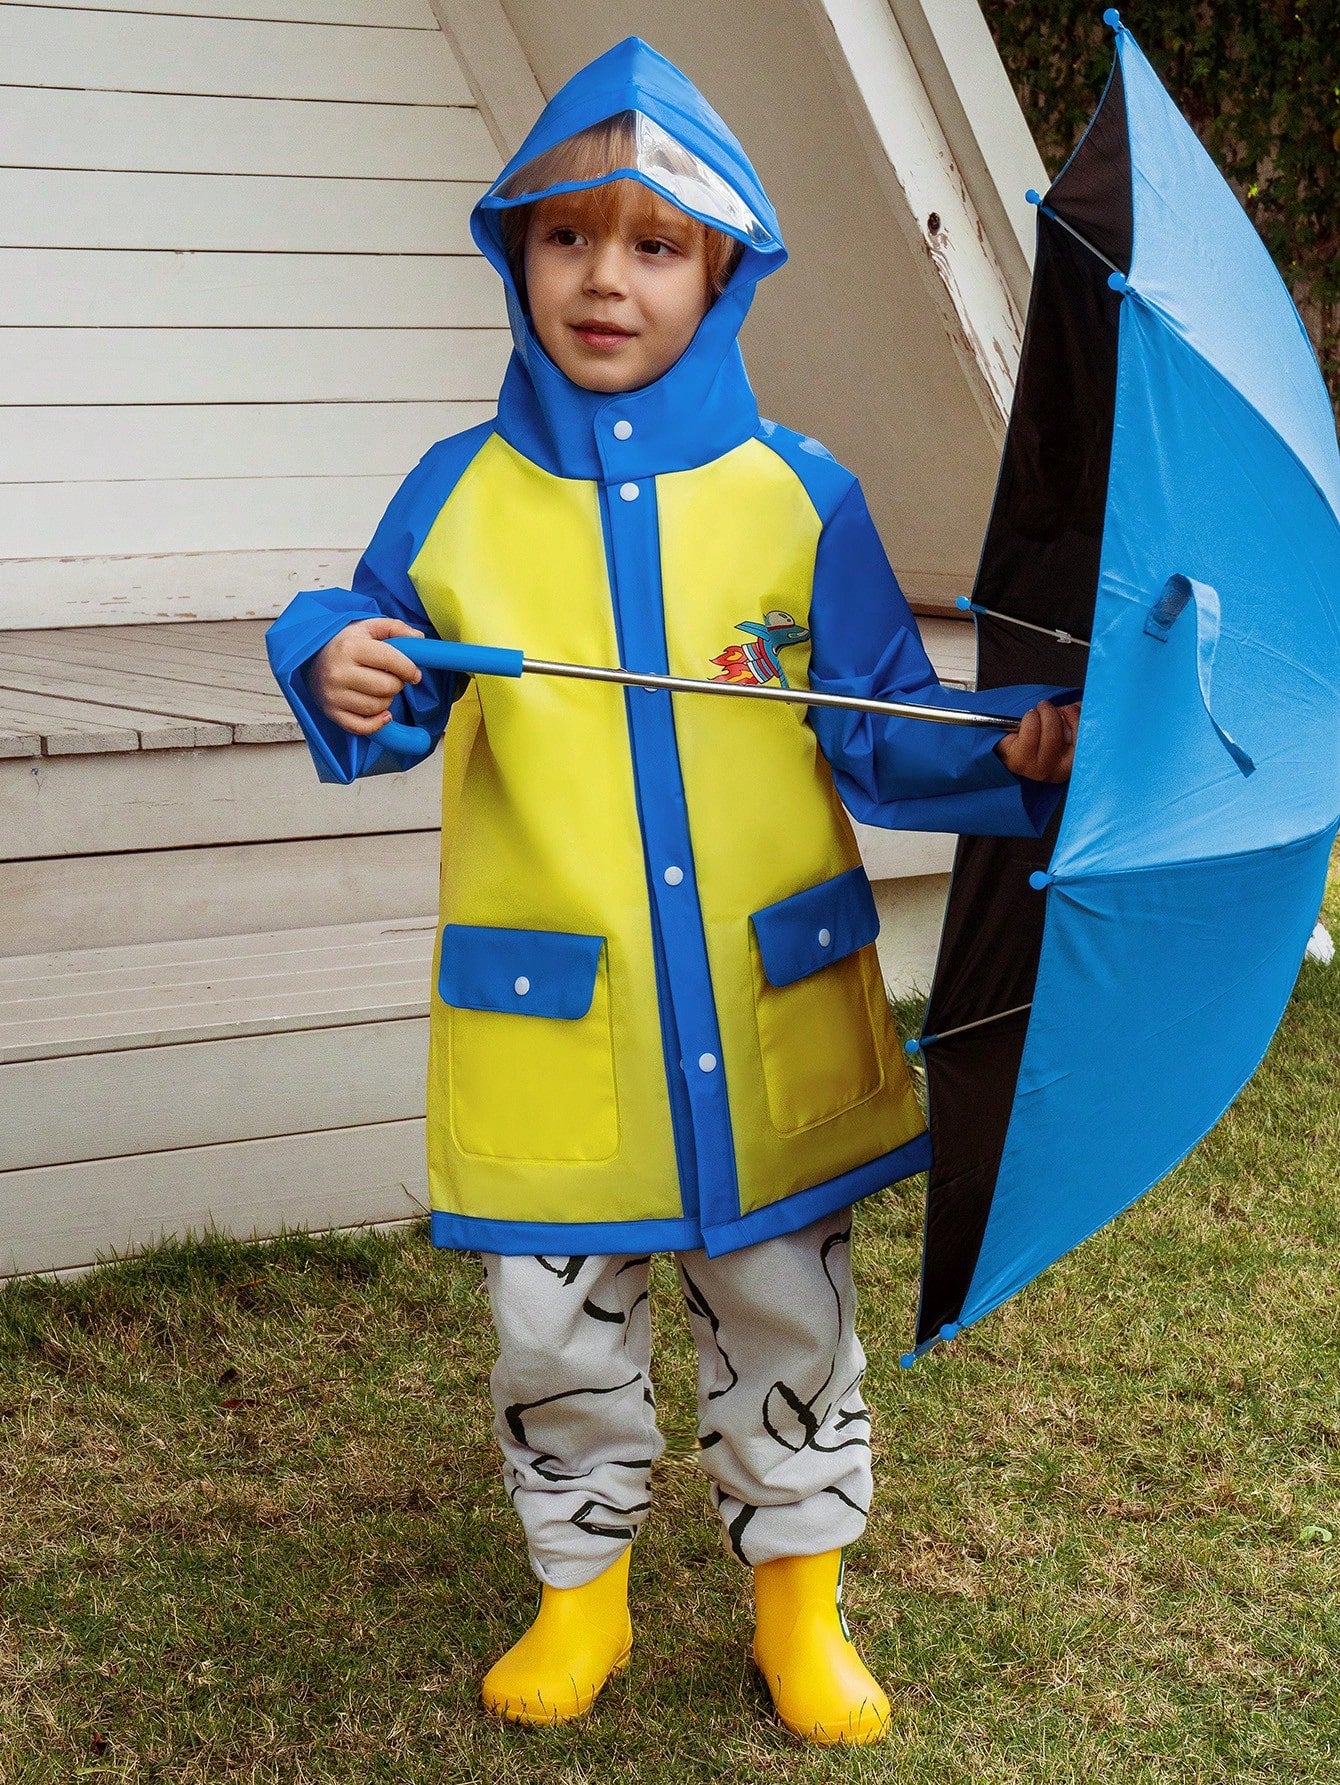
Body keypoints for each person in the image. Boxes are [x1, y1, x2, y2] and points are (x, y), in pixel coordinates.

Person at [267, 38, 1078, 1745]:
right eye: (569, 237)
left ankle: (800, 1602)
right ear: (519, 257)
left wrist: (1007, 747)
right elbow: (379, 669)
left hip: (765, 1009)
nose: (606, 278)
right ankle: (583, 1596)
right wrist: (330, 661)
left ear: (722, 269)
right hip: (562, 1029)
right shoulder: (460, 495)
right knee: (555, 1330)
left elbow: (875, 727)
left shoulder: (800, 492)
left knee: (788, 1311)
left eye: (652, 243)